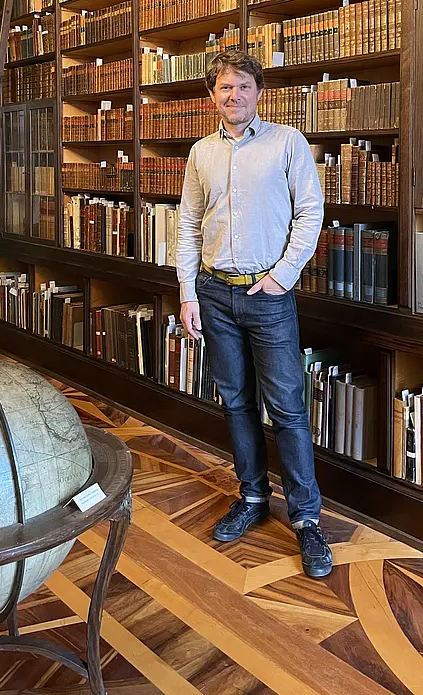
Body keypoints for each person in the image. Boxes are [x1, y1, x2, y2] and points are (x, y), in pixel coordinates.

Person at [176, 49, 333, 578]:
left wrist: (281, 277)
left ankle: (308, 519)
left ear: (258, 92)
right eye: (224, 87)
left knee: (287, 408)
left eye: (243, 85)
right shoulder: (201, 153)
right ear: (211, 96)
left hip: (268, 296)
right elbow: (188, 225)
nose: (233, 95)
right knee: (237, 402)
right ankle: (252, 497)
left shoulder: (287, 143)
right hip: (215, 292)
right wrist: (189, 293)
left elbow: (311, 213)